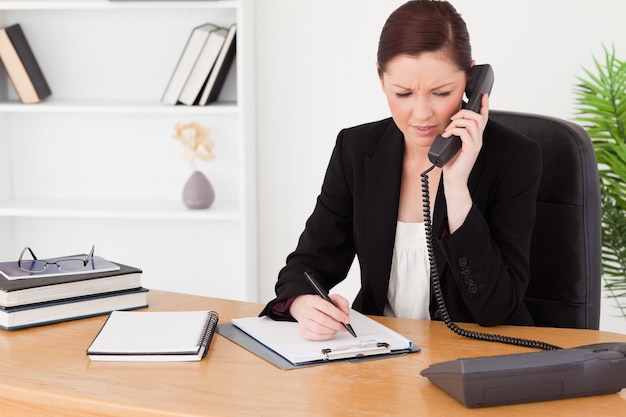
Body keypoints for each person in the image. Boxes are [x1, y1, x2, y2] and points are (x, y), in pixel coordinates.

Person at [260, 0, 542, 341]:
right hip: (381, 354)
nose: (421, 114)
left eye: (442, 92)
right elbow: (307, 264)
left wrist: (455, 185)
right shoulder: (357, 149)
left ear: (472, 82)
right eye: (403, 93)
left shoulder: (514, 157)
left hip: (474, 356)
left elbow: (495, 308)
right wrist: (303, 305)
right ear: (381, 78)